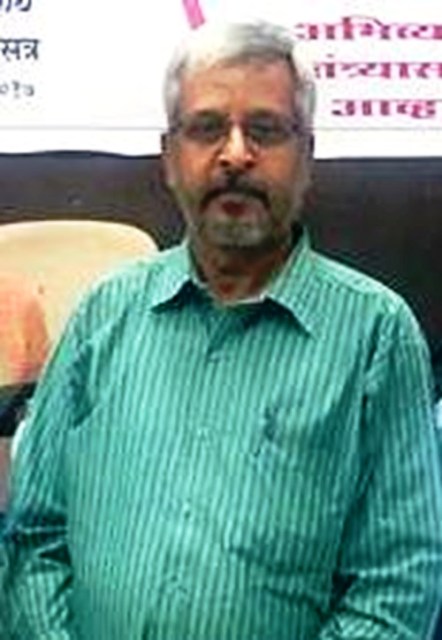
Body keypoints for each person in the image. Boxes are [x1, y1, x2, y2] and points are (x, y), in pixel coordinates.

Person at [1, 19, 442, 640]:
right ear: (169, 159)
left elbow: (397, 586)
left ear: (307, 157)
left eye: (265, 129)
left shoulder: (376, 335)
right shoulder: (104, 313)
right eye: (207, 128)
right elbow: (34, 537)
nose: (235, 154)